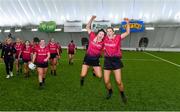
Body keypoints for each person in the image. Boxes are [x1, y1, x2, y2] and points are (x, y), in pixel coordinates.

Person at [103, 18, 130, 103]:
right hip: (107, 60)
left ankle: (122, 94)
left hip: (116, 61)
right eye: (107, 31)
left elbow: (127, 32)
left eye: (110, 31)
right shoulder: (104, 39)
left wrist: (127, 23)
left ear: (113, 32)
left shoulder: (118, 37)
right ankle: (110, 91)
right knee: (106, 81)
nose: (109, 32)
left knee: (118, 81)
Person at [80, 16, 106, 86]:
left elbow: (103, 50)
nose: (101, 35)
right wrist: (91, 19)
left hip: (95, 60)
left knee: (100, 76)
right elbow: (87, 27)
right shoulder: (92, 36)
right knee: (83, 75)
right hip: (87, 58)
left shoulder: (103, 43)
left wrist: (101, 53)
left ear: (104, 36)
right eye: (100, 33)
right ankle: (82, 79)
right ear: (97, 34)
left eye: (103, 34)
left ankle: (94, 69)